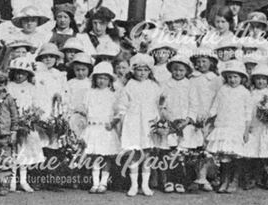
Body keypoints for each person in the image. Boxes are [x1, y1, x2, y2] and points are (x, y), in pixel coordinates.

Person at [116, 54, 162, 196]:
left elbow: (159, 104)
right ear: (133, 71)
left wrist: (158, 121)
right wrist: (123, 120)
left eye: (145, 70)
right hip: (133, 122)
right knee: (134, 154)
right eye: (139, 70)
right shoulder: (129, 86)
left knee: (147, 154)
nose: (142, 73)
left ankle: (145, 185)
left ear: (150, 71)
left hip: (148, 122)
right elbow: (122, 105)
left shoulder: (154, 86)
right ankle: (134, 185)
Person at [206, 59, 251, 194]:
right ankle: (224, 180)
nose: (232, 80)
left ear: (242, 78)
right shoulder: (222, 90)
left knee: (235, 155)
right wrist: (208, 118)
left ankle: (234, 180)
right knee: (224, 154)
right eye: (230, 77)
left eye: (235, 77)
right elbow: (215, 107)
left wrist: (247, 130)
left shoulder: (244, 92)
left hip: (237, 127)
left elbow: (248, 113)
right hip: (223, 125)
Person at [79, 61, 121, 193]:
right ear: (95, 79)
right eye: (99, 78)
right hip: (93, 127)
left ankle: (104, 183)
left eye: (105, 78)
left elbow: (119, 112)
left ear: (109, 80)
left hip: (106, 128)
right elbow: (84, 109)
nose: (102, 81)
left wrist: (113, 123)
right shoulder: (89, 93)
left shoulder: (113, 94)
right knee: (95, 156)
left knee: (106, 156)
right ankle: (95, 183)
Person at [6, 57, 44, 192]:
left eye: (23, 73)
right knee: (12, 151)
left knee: (24, 152)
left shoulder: (32, 88)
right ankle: (11, 180)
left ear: (28, 74)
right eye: (17, 72)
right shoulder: (8, 86)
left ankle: (23, 180)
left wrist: (32, 117)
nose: (20, 75)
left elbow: (37, 105)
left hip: (26, 124)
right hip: (12, 122)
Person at [185, 47, 219, 191]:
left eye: (204, 61)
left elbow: (218, 99)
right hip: (195, 116)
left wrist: (210, 114)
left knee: (208, 147)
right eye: (198, 62)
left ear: (211, 62)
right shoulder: (192, 78)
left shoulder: (216, 79)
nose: (202, 64)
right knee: (196, 147)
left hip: (210, 117)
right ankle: (198, 177)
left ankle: (209, 176)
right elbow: (189, 97)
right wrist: (192, 115)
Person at [157, 55, 192, 193]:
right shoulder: (165, 84)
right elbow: (161, 104)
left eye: (181, 70)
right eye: (175, 70)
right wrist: (167, 118)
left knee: (181, 153)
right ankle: (168, 181)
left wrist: (188, 120)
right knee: (167, 152)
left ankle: (180, 181)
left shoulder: (189, 85)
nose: (178, 73)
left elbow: (194, 104)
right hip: (169, 122)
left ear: (186, 71)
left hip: (184, 123)